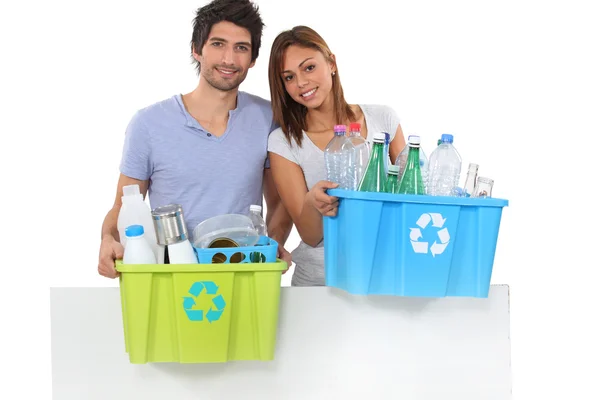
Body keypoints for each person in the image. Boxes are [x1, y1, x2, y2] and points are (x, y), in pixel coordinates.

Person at [98, 0, 293, 279]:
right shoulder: (148, 124)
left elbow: (281, 201)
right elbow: (124, 205)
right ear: (196, 49)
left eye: (241, 48)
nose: (228, 59)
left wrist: (272, 244)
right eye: (218, 44)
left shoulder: (268, 118)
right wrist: (107, 239)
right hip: (172, 277)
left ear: (252, 59)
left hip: (245, 275)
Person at [266, 26, 407, 286]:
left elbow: (411, 195)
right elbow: (310, 235)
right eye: (288, 77)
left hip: (386, 273)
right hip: (321, 281)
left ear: (331, 63)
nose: (301, 83)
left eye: (309, 68)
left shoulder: (382, 119)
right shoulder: (284, 141)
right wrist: (313, 202)